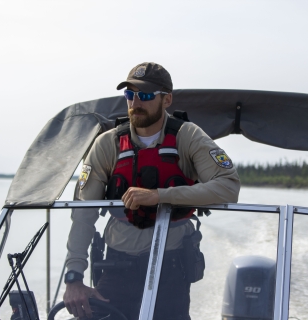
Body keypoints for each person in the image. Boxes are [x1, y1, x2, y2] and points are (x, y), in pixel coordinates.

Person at [63, 62, 240, 319]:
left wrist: (159, 196)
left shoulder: (187, 136)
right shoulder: (107, 144)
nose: (136, 102)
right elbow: (83, 214)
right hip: (117, 265)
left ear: (166, 99)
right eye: (129, 94)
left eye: (145, 95)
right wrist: (73, 277)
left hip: (171, 267)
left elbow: (228, 186)